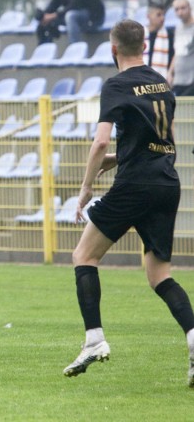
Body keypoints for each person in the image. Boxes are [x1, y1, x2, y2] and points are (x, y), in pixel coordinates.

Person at [64, 19, 194, 387]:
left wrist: (87, 186)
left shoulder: (116, 85)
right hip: (167, 182)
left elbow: (101, 142)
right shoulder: (162, 84)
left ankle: (94, 339)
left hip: (135, 184)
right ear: (145, 47)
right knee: (159, 275)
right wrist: (118, 159)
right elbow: (156, 140)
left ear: (113, 49)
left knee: (83, 256)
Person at [166, 0, 194, 95]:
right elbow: (177, 52)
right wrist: (170, 72)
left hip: (191, 80)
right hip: (179, 79)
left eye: (183, 8)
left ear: (190, 8)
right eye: (177, 9)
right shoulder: (178, 29)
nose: (180, 12)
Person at [143, 5, 174, 79]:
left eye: (163, 15)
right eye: (158, 15)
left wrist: (170, 74)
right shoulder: (140, 35)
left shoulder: (170, 35)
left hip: (162, 79)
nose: (162, 18)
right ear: (148, 16)